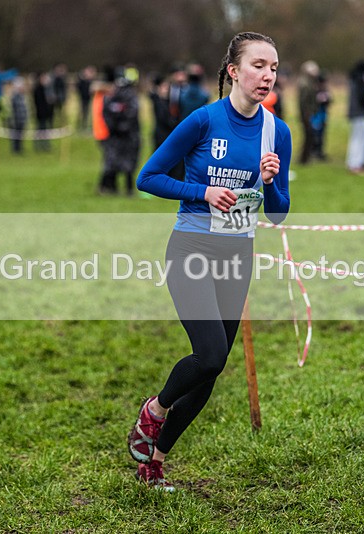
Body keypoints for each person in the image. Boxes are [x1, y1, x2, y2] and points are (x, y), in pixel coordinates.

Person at [131, 31, 291, 491]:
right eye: (259, 65)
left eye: (275, 67)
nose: (268, 75)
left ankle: (154, 460)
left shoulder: (275, 131)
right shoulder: (202, 121)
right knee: (211, 353)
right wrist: (201, 191)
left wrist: (272, 183)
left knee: (211, 369)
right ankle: (155, 410)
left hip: (237, 253)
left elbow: (278, 214)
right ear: (234, 71)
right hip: (192, 249)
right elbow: (149, 177)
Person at [99, 69, 140, 195]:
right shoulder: (111, 98)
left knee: (127, 164)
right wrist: (116, 127)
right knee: (114, 162)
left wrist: (122, 127)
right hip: (117, 136)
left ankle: (128, 189)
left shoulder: (129, 97)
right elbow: (106, 114)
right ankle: (111, 188)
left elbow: (132, 114)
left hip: (127, 136)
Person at [345, 60, 364, 174]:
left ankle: (353, 162)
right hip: (360, 114)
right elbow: (363, 99)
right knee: (359, 140)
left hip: (355, 113)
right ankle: (356, 164)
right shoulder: (360, 82)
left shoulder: (353, 81)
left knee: (356, 139)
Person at [297, 60, 319, 164]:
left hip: (307, 114)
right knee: (308, 136)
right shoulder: (305, 84)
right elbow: (304, 102)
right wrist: (307, 114)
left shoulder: (308, 82)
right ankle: (303, 159)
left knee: (309, 136)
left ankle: (306, 157)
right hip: (306, 115)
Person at [32, 71, 55, 151]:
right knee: (40, 130)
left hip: (45, 114)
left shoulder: (44, 89)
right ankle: (39, 145)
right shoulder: (38, 89)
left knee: (45, 130)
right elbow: (39, 103)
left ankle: (45, 145)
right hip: (41, 114)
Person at [8, 77, 28, 154]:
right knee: (15, 135)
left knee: (20, 135)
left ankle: (19, 148)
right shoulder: (15, 96)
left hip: (22, 118)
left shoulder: (22, 96)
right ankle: (15, 149)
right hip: (16, 119)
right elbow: (12, 109)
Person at [76, 66, 96, 131]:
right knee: (83, 112)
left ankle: (88, 126)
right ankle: (82, 125)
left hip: (90, 99)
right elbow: (79, 89)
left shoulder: (90, 81)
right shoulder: (82, 81)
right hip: (83, 98)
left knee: (89, 113)